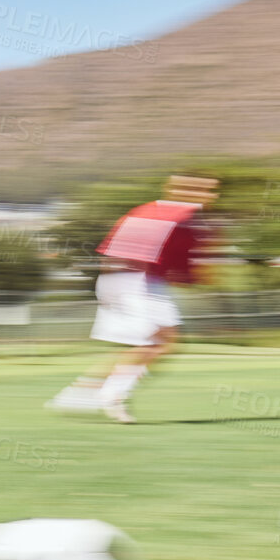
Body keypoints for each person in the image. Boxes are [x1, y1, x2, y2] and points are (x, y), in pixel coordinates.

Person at [47, 174, 218, 423]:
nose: (208, 196)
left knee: (156, 344)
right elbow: (186, 271)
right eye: (201, 190)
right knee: (156, 345)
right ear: (177, 190)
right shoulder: (185, 219)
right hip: (139, 281)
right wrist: (200, 276)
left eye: (210, 190)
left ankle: (81, 393)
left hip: (120, 279)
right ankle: (109, 395)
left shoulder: (146, 209)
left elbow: (115, 249)